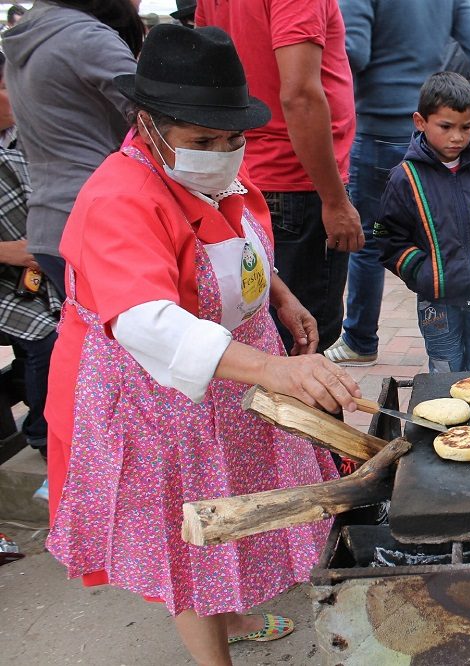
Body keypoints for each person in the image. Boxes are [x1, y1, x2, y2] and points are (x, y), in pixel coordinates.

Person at [44, 25, 362, 664]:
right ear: (148, 124)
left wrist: (279, 296)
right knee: (189, 527)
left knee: (230, 505)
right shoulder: (119, 195)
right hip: (156, 395)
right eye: (203, 141)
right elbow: (147, 321)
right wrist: (272, 367)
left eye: (232, 139)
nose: (221, 153)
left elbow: (235, 244)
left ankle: (233, 610)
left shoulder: (214, 174)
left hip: (231, 377)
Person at [329, 0, 470, 367]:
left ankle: (359, 337)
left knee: (371, 239)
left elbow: (351, 50)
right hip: (442, 118)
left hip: (386, 128)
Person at [197, 0, 363, 354]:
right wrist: (335, 201)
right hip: (297, 183)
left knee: (265, 328)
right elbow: (299, 95)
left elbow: (209, 67)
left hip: (247, 175)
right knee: (306, 339)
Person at [3, 0, 143, 301]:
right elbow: (159, 122)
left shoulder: (30, 39)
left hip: (48, 225)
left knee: (92, 340)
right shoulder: (87, 38)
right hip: (99, 222)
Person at [377, 73, 470, 372]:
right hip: (437, 301)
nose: (457, 136)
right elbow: (389, 237)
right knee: (445, 372)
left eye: (465, 127)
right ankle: (444, 421)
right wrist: (421, 271)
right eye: (446, 127)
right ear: (421, 122)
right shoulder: (405, 178)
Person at [0, 53, 58, 499]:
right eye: (5, 89)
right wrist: (12, 253)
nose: (12, 98)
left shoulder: (22, 139)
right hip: (9, 279)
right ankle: (41, 432)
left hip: (37, 275)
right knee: (46, 340)